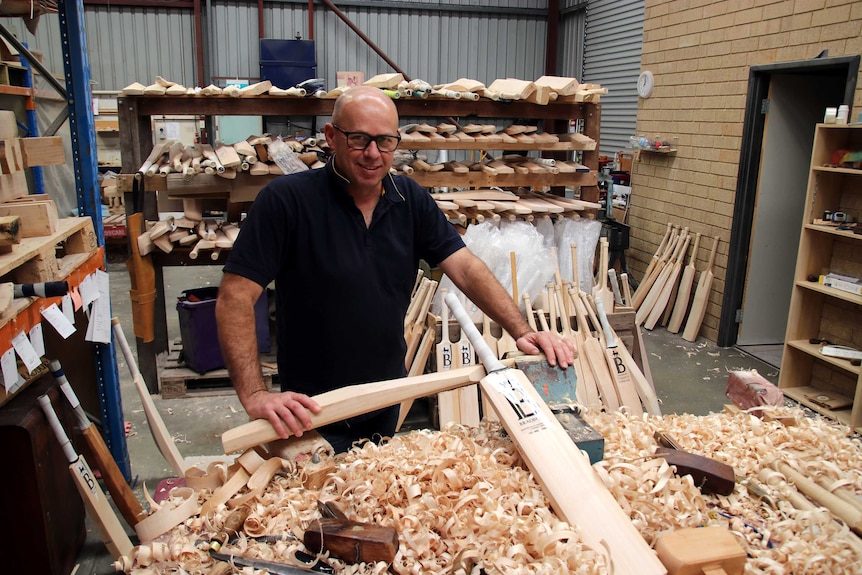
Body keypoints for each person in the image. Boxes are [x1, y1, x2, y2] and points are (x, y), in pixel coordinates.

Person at [215, 86, 574, 453]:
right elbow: (236, 297)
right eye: (359, 139)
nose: (373, 154)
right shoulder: (286, 201)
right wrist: (255, 394)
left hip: (385, 397)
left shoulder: (410, 199)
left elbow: (464, 267)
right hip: (309, 410)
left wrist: (522, 330)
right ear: (331, 137)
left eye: (385, 141)